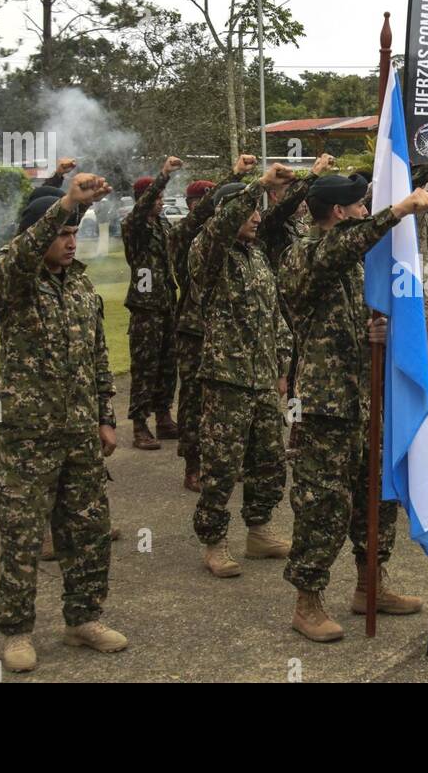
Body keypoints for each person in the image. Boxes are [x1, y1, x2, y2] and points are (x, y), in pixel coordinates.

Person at [279, 174, 428, 642]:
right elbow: (339, 250)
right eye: (358, 205)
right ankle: (307, 602)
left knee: (377, 494)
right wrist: (399, 211)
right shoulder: (304, 253)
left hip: (367, 398)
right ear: (339, 212)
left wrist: (375, 333)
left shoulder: (351, 262)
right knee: (322, 503)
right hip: (324, 404)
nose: (365, 208)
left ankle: (371, 585)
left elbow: (354, 307)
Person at [0, 172, 124, 673]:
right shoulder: (13, 283)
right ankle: (17, 630)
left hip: (81, 433)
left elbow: (98, 357)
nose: (70, 240)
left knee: (88, 528)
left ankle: (83, 617)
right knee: (22, 535)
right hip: (29, 438)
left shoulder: (83, 287)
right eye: (63, 232)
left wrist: (106, 416)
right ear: (39, 234)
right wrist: (65, 201)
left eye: (74, 232)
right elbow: (20, 259)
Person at [192, 167, 295, 576]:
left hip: (263, 377)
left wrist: (282, 366)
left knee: (269, 459)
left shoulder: (255, 256)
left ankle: (259, 530)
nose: (257, 217)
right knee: (220, 465)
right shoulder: (209, 256)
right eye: (249, 210)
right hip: (227, 379)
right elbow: (215, 232)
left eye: (258, 209)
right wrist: (257, 185)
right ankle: (214, 541)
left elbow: (275, 316)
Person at [168, 155, 258, 491]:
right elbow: (207, 218)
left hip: (224, 332)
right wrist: (232, 176)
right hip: (194, 330)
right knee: (193, 400)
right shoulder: (185, 236)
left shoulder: (236, 242)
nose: (202, 206)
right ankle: (193, 464)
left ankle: (223, 460)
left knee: (224, 403)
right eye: (199, 201)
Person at [122, 159, 182, 450]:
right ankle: (139, 425)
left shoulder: (162, 223)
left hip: (166, 302)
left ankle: (164, 417)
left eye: (161, 198)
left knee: (168, 365)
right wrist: (164, 176)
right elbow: (142, 209)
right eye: (156, 198)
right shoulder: (133, 225)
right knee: (145, 367)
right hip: (145, 307)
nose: (160, 203)